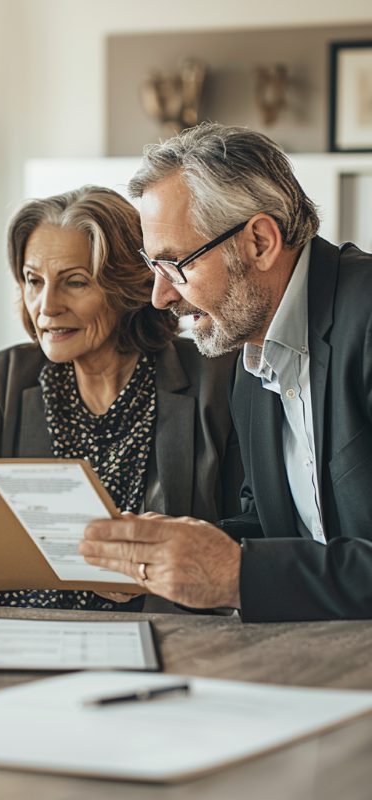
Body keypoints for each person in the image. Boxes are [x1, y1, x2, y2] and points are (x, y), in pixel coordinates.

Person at [79, 122, 372, 622]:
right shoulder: (251, 354)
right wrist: (163, 554)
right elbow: (279, 531)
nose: (161, 297)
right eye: (155, 268)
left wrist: (237, 573)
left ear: (259, 241)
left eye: (177, 265)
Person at [0, 185, 242, 610]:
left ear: (128, 286)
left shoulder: (214, 376)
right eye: (33, 280)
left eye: (75, 282)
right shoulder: (9, 377)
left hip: (163, 634)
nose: (46, 306)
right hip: (23, 635)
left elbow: (247, 540)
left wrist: (149, 574)